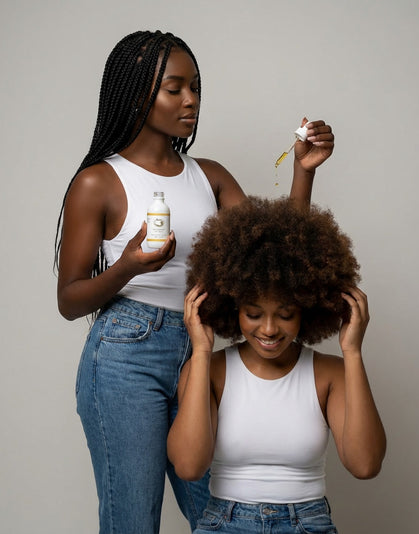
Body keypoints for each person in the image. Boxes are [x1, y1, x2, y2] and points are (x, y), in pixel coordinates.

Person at [55, 30, 334, 534]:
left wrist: (303, 172)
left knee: (223, 516)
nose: (191, 100)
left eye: (196, 88)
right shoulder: (98, 182)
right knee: (133, 522)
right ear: (137, 95)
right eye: (175, 88)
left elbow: (275, 260)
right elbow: (69, 299)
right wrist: (128, 267)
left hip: (199, 349)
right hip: (123, 357)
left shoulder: (210, 176)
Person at [167, 197, 386, 534]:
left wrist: (353, 352)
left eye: (285, 314)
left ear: (307, 310)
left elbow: (365, 464)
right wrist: (201, 350)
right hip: (223, 524)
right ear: (233, 306)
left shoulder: (330, 374)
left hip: (307, 524)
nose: (269, 329)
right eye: (254, 314)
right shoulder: (209, 371)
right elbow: (188, 466)